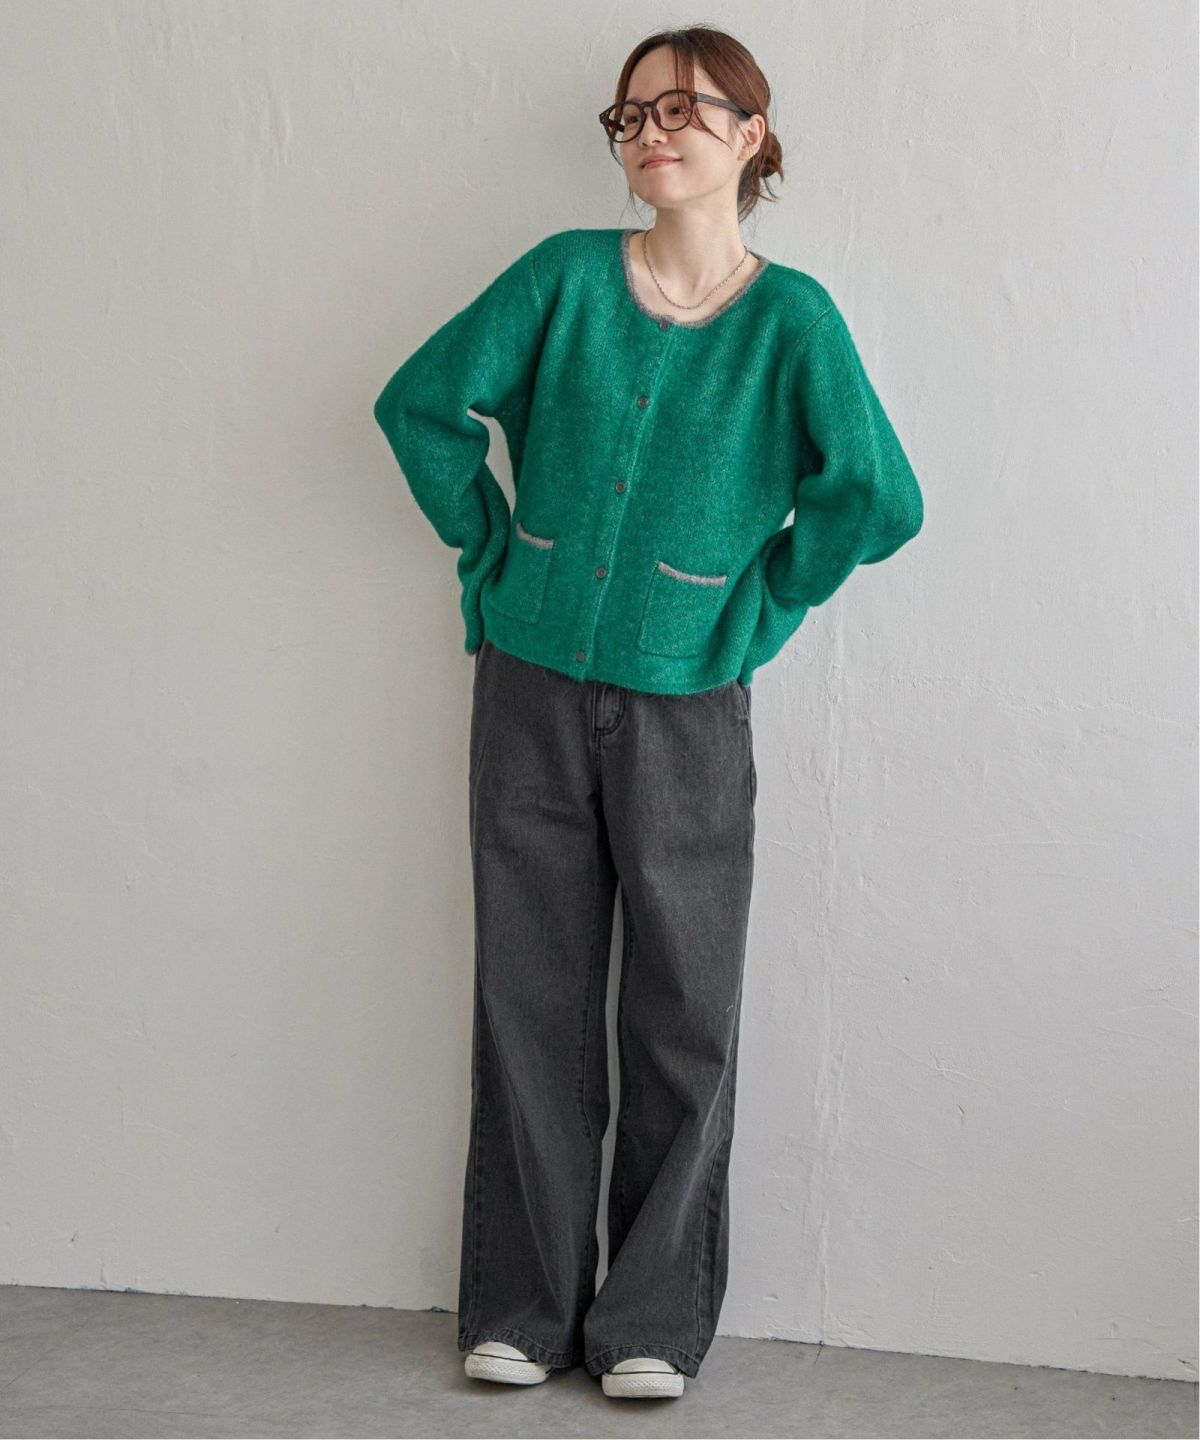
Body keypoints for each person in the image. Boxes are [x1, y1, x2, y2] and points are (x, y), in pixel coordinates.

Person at [373, 24, 924, 1401]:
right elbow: (422, 405)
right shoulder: (564, 277)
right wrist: (490, 553)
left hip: (690, 707)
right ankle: (522, 1305)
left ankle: (650, 1321)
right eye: (630, 117)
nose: (653, 134)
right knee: (530, 994)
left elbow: (877, 495)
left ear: (751, 133)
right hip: (530, 685)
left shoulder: (792, 321)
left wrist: (758, 609)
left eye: (683, 108)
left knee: (683, 1008)